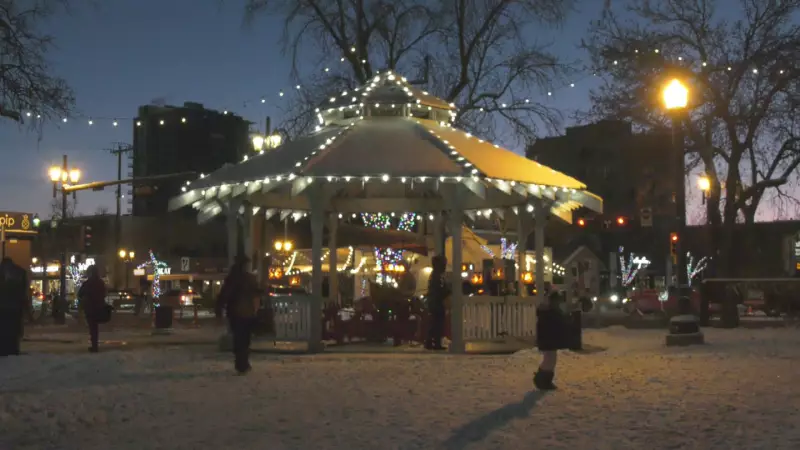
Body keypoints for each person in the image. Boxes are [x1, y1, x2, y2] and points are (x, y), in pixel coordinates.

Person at [216, 255, 260, 374]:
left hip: (235, 312)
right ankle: (243, 362)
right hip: (246, 312)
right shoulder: (249, 278)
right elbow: (257, 292)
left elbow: (224, 295)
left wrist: (219, 308)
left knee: (239, 338)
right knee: (245, 339)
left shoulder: (232, 278)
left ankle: (241, 362)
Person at [534, 287, 568, 390]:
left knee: (550, 359)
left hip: (549, 337)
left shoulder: (549, 310)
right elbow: (555, 322)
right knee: (550, 359)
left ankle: (544, 380)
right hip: (548, 338)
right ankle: (541, 380)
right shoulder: (549, 311)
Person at [0, 257, 32, 356]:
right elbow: (23, 291)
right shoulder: (20, 272)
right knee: (14, 329)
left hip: (3, 306)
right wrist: (26, 307)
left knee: (3, 329)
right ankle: (13, 349)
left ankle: (4, 349)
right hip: (16, 306)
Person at [78, 265, 107, 353]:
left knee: (92, 327)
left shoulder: (87, 283)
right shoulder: (100, 282)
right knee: (95, 327)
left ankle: (94, 345)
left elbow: (80, 293)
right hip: (99, 307)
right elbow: (104, 293)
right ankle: (95, 345)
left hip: (90, 307)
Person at [425, 255, 449, 350]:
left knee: (435, 323)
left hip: (434, 302)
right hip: (436, 303)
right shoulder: (436, 276)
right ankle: (434, 343)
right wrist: (447, 291)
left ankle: (430, 342)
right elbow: (439, 290)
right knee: (437, 323)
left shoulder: (435, 275)